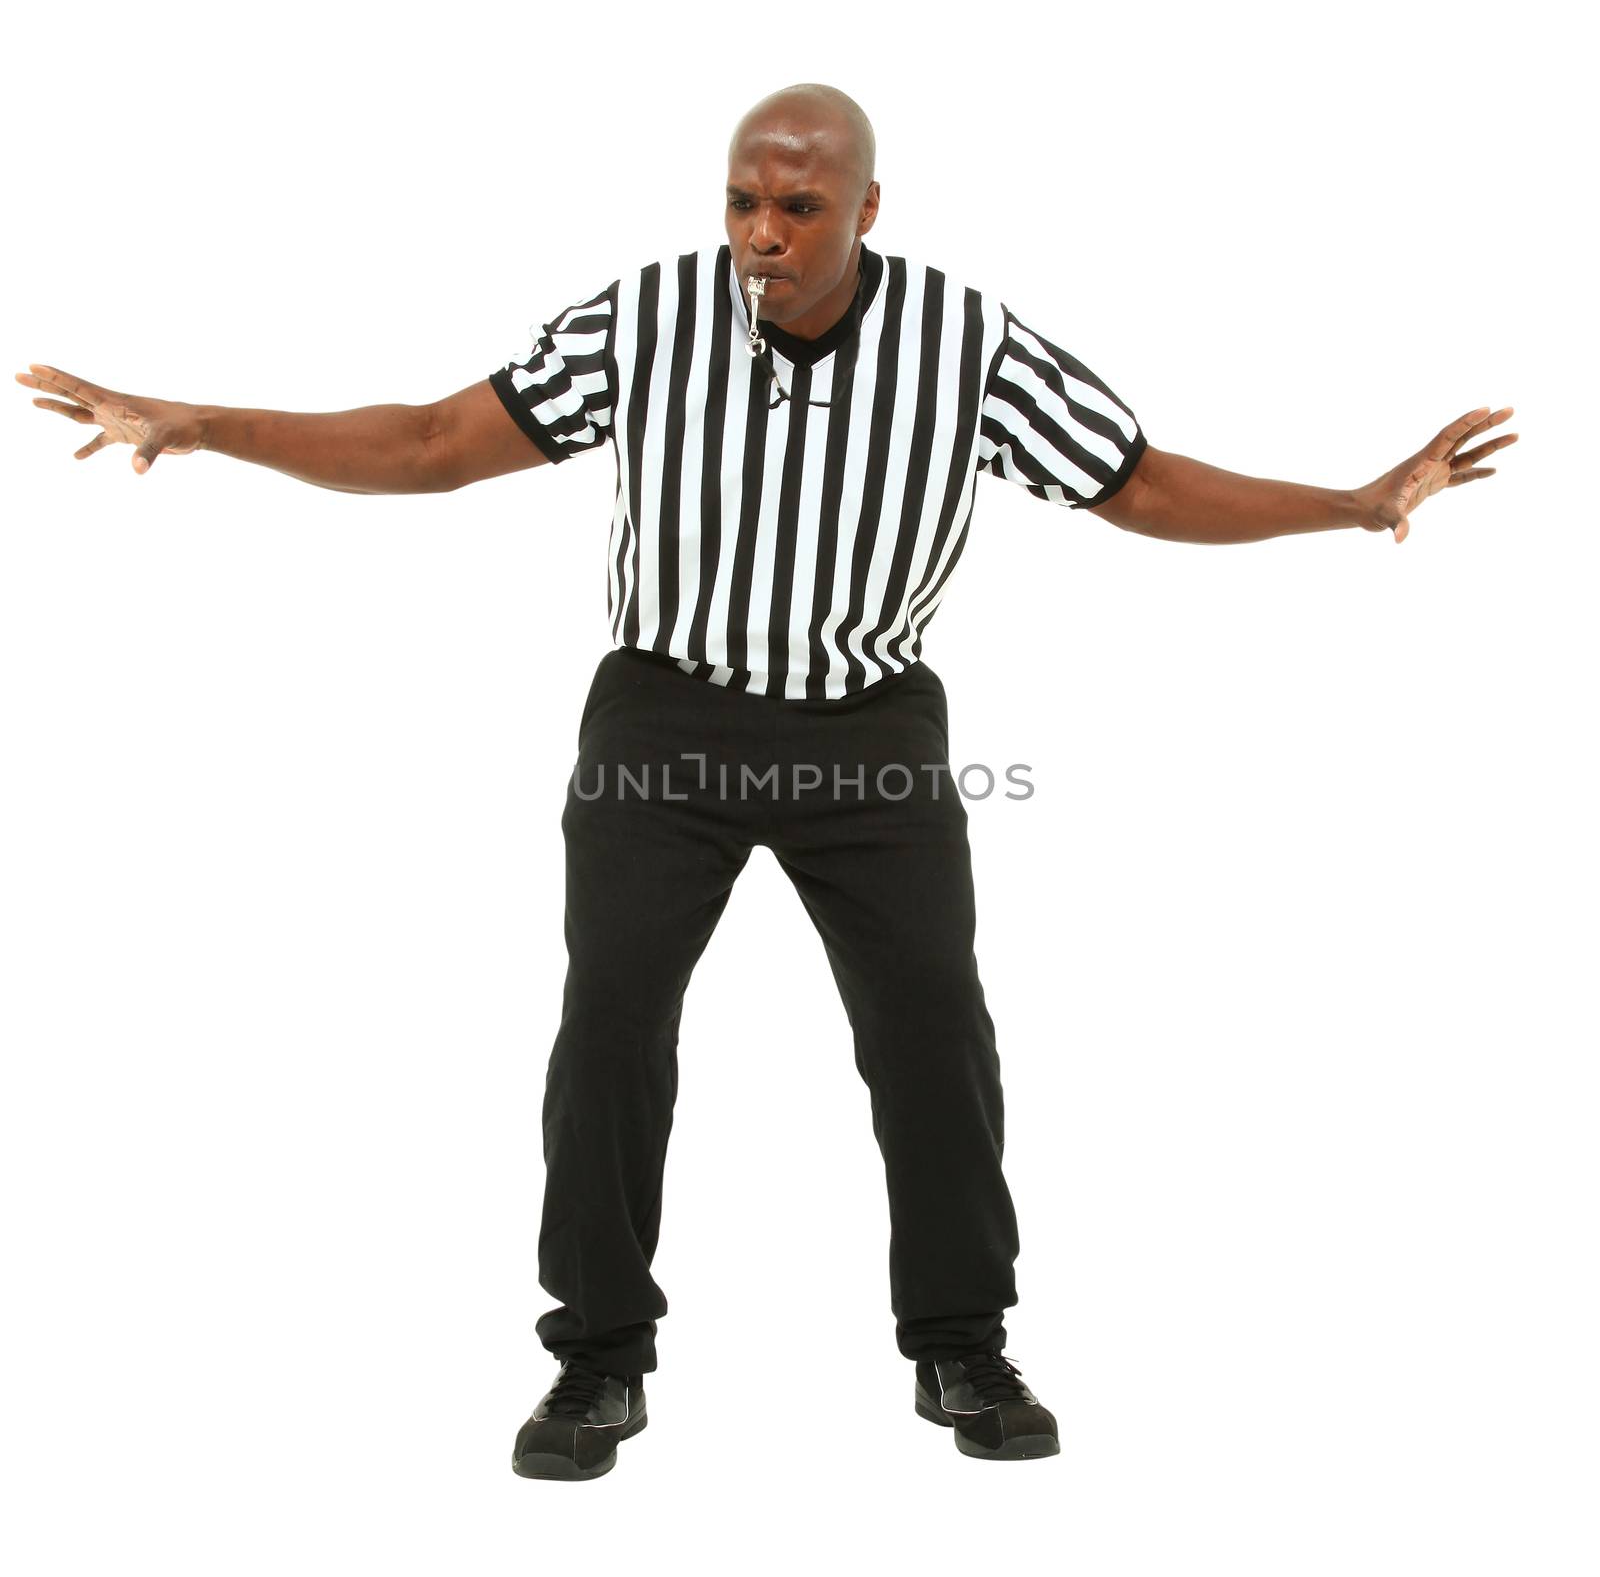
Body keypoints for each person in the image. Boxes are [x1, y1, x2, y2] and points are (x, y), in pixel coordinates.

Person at [16, 82, 1518, 1483]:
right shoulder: (648, 322)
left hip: (868, 732)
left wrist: (1354, 504)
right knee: (609, 1023)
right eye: (744, 201)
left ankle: (962, 1351)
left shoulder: (968, 343)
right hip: (664, 724)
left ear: (871, 211)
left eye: (801, 208)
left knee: (934, 1027)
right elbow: (428, 444)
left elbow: (1142, 484)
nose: (764, 235)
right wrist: (202, 425)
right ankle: (599, 1355)